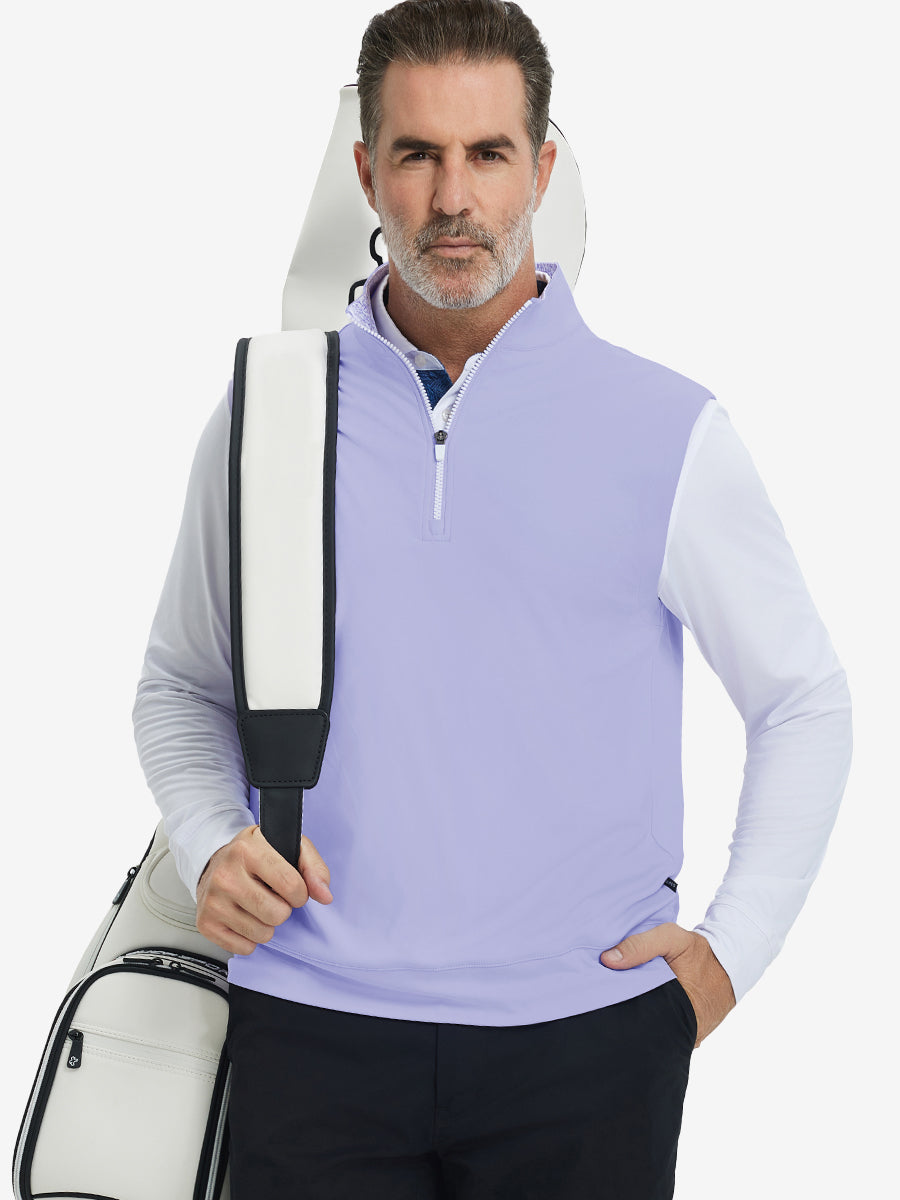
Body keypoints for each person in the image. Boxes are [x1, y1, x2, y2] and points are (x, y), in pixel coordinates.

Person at [131, 1, 853, 1196]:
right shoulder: (271, 410)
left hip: (587, 1040)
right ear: (367, 172)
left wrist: (728, 958)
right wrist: (212, 837)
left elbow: (805, 700)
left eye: (489, 153)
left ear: (542, 170)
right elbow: (178, 685)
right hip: (311, 1028)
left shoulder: (665, 427)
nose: (453, 197)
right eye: (418, 154)